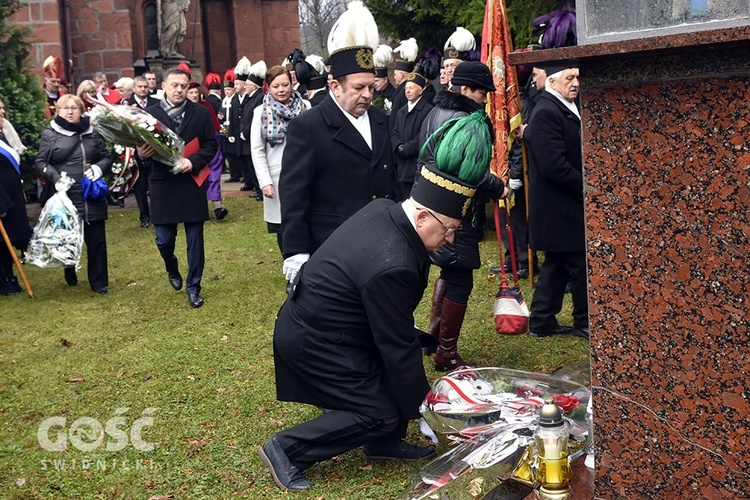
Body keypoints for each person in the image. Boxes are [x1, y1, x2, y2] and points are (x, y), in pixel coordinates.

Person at [260, 111, 492, 492]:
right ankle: (286, 448)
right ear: (422, 218)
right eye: (449, 229)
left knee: (393, 390)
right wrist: (424, 409)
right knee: (380, 412)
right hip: (315, 342)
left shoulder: (385, 208)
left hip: (334, 327)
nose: (450, 239)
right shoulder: (393, 263)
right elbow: (396, 344)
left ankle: (382, 443)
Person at [279, 1, 394, 283]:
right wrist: (295, 251)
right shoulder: (307, 127)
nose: (368, 94)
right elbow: (294, 194)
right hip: (331, 245)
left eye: (371, 86)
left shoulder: (381, 120)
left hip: (380, 241)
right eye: (358, 88)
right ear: (334, 86)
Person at [419, 61, 508, 371]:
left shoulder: (436, 112)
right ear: (465, 89)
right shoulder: (464, 120)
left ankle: (434, 337)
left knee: (449, 272)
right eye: (482, 93)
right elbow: (467, 170)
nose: (485, 99)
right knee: (460, 281)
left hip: (434, 206)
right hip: (456, 211)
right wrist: (497, 186)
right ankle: (446, 352)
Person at [134, 68, 218, 308]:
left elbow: (211, 145)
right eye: (175, 85)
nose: (179, 90)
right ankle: (171, 265)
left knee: (195, 240)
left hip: (192, 182)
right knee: (163, 239)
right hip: (163, 184)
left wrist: (193, 162)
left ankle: (194, 287)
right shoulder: (149, 114)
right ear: (164, 86)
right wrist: (141, 155)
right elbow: (141, 153)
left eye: (183, 86)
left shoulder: (200, 113)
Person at [525, 64, 589, 340]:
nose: (575, 83)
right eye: (569, 78)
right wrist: (587, 188)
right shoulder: (547, 111)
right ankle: (585, 320)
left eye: (577, 77)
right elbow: (554, 165)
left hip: (562, 204)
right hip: (559, 204)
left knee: (557, 265)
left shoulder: (564, 105)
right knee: (580, 264)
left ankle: (542, 321)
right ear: (552, 81)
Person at [33, 94, 112, 294]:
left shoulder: (93, 132)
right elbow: (40, 163)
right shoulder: (50, 134)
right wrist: (55, 178)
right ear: (58, 111)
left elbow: (106, 157)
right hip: (64, 195)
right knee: (67, 238)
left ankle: (99, 282)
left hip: (90, 193)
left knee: (96, 240)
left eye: (74, 108)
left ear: (81, 110)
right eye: (65, 108)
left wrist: (99, 169)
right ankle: (69, 268)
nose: (70, 111)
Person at [250, 66, 309, 252]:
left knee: (307, 221)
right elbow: (257, 149)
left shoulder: (306, 107)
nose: (281, 90)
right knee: (284, 228)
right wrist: (264, 182)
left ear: (292, 83)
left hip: (306, 172)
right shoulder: (260, 111)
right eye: (276, 86)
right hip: (277, 178)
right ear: (268, 87)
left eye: (285, 84)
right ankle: (291, 271)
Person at [0, 98, 30, 295]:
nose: (1, 113)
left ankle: (10, 277)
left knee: (9, 239)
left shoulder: (4, 133)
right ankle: (4, 280)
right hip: (2, 199)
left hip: (12, 196)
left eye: (2, 109)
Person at [391, 65, 433, 201]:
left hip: (417, 165)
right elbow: (395, 132)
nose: (407, 91)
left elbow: (423, 136)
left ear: (420, 91)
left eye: (412, 88)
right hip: (402, 166)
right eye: (406, 88)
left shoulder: (427, 110)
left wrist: (407, 148)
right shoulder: (401, 111)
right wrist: (398, 147)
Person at [239, 60, 266, 198]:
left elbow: (255, 119)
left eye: (248, 84)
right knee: (250, 164)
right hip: (247, 136)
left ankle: (260, 190)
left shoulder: (259, 98)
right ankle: (257, 188)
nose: (245, 86)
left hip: (252, 135)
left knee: (255, 163)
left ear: (254, 86)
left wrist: (245, 132)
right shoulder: (250, 98)